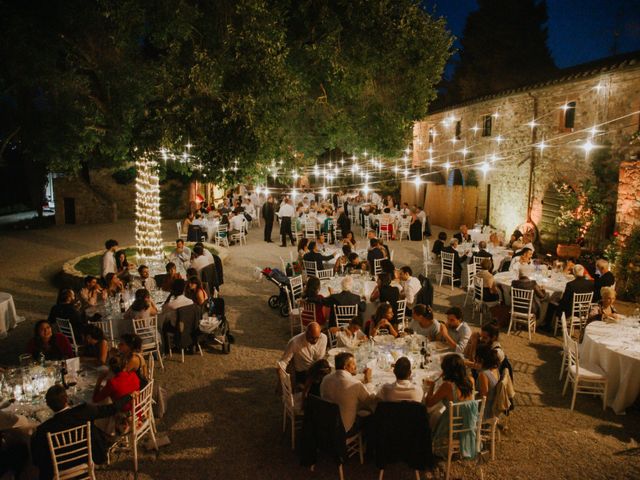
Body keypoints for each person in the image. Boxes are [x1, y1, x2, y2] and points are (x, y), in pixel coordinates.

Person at [31, 385, 133, 480]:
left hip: (60, 469)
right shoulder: (84, 411)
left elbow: (37, 460)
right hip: (86, 458)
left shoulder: (43, 429)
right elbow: (110, 409)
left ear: (49, 406)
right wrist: (129, 396)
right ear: (66, 399)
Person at [320, 352, 375, 435]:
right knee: (371, 414)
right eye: (353, 364)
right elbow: (369, 401)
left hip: (324, 424)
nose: (355, 366)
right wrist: (369, 381)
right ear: (345, 367)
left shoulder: (326, 379)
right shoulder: (355, 384)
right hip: (343, 430)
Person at [425, 354, 475, 433]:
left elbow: (429, 403)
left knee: (432, 418)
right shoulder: (471, 380)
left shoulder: (447, 386)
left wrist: (431, 386)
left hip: (453, 426)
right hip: (468, 423)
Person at [477, 348, 501, 419]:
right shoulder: (496, 370)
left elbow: (484, 396)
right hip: (494, 406)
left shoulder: (484, 374)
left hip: (486, 410)